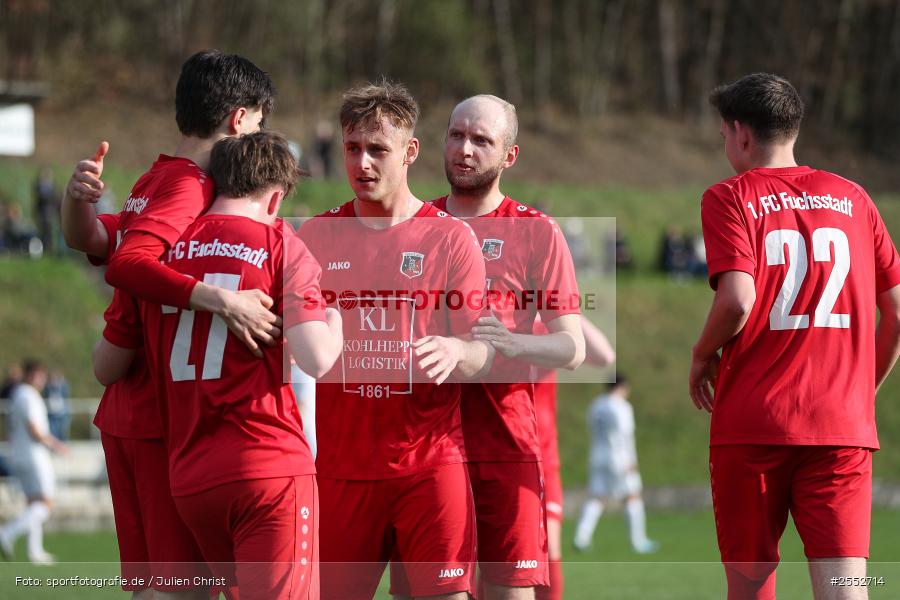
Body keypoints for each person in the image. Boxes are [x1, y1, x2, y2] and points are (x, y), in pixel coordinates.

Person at [61, 50, 279, 599]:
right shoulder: (193, 187)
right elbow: (129, 263)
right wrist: (221, 301)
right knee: (180, 590)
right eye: (258, 121)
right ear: (238, 118)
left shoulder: (156, 175)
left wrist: (75, 205)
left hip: (126, 417)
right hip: (158, 419)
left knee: (151, 589)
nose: (257, 135)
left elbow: (96, 239)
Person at [93, 131, 342, 599]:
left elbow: (108, 360)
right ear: (276, 197)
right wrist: (335, 319)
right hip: (266, 467)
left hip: (190, 475)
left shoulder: (160, 251)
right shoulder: (280, 242)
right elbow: (318, 357)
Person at [689, 73, 900, 600]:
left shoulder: (729, 197)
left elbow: (737, 298)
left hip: (754, 424)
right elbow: (897, 313)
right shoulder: (854, 198)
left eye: (723, 136)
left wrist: (700, 353)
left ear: (739, 133)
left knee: (751, 584)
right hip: (841, 428)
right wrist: (862, 391)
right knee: (846, 587)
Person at [297, 81, 493, 600]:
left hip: (429, 466)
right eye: (352, 148)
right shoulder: (313, 239)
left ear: (409, 152)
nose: (363, 163)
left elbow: (485, 350)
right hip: (340, 471)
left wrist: (459, 350)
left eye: (378, 150)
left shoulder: (450, 238)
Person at [432, 94, 585, 600]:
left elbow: (572, 346)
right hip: (426, 449)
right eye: (457, 135)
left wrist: (513, 345)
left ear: (509, 156)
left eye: (481, 140)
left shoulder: (536, 231)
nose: (465, 149)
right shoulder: (417, 224)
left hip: (506, 443)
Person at [533, 317, 615, 600]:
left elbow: (604, 356)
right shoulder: (496, 318)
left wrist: (566, 308)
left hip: (542, 455)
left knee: (549, 549)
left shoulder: (547, 324)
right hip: (494, 450)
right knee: (495, 557)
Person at [572, 373, 658, 555]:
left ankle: (581, 538)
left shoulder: (596, 405)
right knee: (632, 496)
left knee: (597, 497)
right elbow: (625, 435)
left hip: (598, 455)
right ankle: (638, 542)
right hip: (619, 458)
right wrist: (631, 460)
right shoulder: (621, 407)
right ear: (622, 387)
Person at [0, 359, 67, 565]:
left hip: (19, 453)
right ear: (31, 375)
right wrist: (56, 445)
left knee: (33, 502)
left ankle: (34, 551)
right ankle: (7, 532)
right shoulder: (29, 396)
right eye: (40, 375)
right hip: (34, 455)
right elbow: (34, 428)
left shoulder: (18, 394)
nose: (42, 380)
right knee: (45, 504)